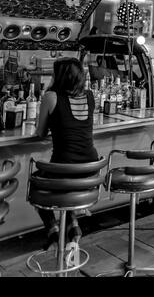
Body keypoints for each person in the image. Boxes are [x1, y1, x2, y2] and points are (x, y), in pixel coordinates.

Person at [36, 57, 99, 250]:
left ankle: (53, 230)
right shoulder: (89, 95)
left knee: (38, 185)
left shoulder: (51, 97)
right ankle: (73, 227)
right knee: (67, 187)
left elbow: (40, 133)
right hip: (90, 171)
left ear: (59, 76)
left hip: (64, 169)